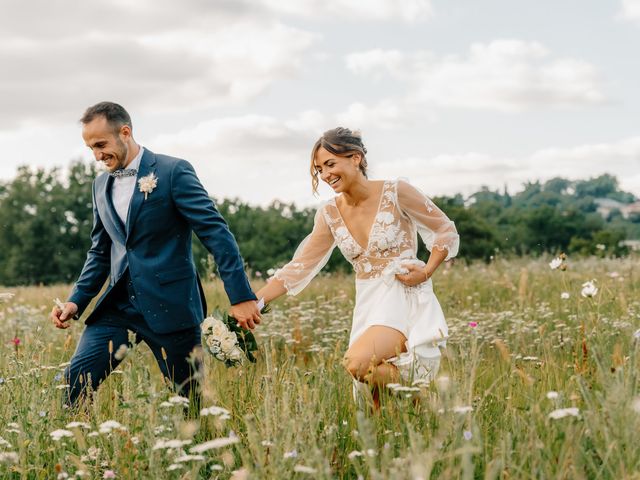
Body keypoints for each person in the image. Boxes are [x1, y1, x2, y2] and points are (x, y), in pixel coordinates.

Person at [50, 101, 261, 407]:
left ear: (125, 132)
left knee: (190, 404)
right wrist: (76, 300)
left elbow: (216, 233)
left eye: (101, 145)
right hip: (118, 307)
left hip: (171, 306)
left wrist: (240, 295)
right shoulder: (99, 186)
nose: (96, 156)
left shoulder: (173, 171)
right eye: (90, 148)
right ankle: (79, 449)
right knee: (75, 382)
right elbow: (100, 251)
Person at [256, 127, 459, 407]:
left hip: (402, 295)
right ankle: (404, 428)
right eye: (319, 169)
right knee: (375, 397)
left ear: (355, 158)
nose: (326, 175)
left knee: (359, 363)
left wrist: (426, 270)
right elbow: (300, 266)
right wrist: (256, 302)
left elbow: (444, 230)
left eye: (330, 164)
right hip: (367, 302)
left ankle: (424, 396)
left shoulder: (396, 191)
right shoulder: (329, 213)